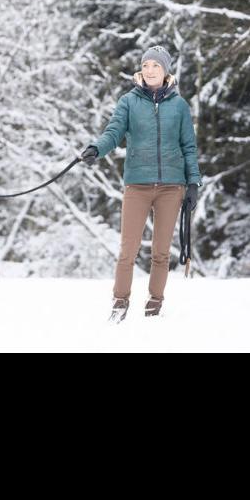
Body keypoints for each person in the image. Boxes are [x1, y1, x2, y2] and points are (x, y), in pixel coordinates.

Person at [80, 45, 201, 321]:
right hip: (138, 185)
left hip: (172, 186)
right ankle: (120, 302)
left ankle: (154, 303)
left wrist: (193, 183)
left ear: (165, 70)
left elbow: (189, 147)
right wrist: (96, 149)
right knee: (128, 249)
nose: (149, 71)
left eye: (155, 66)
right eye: (146, 65)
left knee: (160, 252)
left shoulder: (180, 106)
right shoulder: (129, 101)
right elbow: (114, 132)